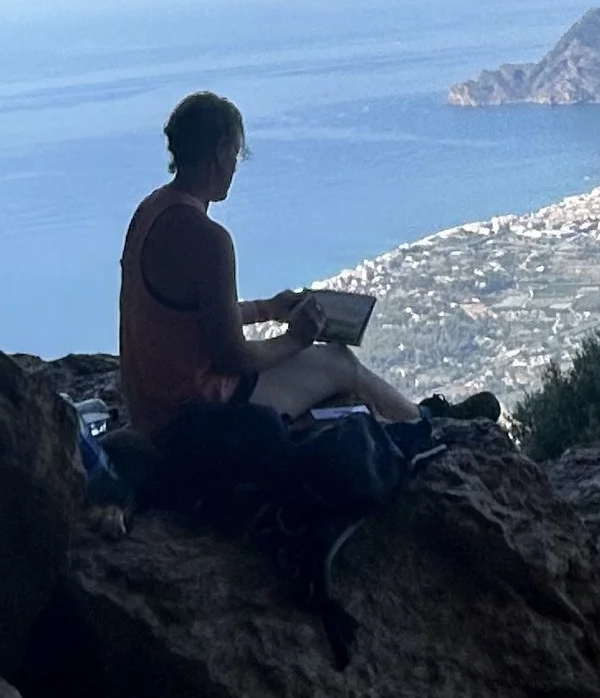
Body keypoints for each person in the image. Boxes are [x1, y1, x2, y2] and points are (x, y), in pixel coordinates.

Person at [119, 88, 424, 437]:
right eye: (235, 153)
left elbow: (193, 317)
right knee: (338, 362)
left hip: (150, 406)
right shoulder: (208, 239)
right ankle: (425, 425)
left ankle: (415, 417)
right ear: (220, 153)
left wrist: (269, 308)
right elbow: (233, 358)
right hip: (193, 413)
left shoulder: (151, 210)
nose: (235, 165)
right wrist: (297, 338)